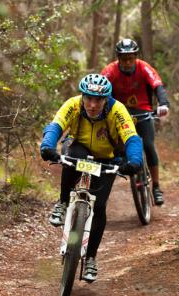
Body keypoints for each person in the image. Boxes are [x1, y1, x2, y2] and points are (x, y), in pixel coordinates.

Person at [40, 73, 142, 283]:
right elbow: (56, 125)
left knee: (100, 207)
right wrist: (47, 146)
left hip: (107, 158)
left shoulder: (118, 110)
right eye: (88, 98)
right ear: (82, 96)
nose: (92, 104)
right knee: (70, 157)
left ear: (106, 99)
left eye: (98, 100)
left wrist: (134, 161)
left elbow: (131, 137)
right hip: (80, 148)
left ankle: (91, 258)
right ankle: (62, 202)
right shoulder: (74, 105)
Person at [101, 38, 170, 206]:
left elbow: (157, 85)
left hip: (143, 111)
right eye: (123, 58)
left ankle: (156, 187)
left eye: (130, 58)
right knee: (119, 148)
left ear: (135, 57)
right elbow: (100, 87)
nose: (127, 62)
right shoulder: (110, 71)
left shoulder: (144, 67)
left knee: (148, 144)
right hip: (120, 112)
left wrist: (164, 104)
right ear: (118, 57)